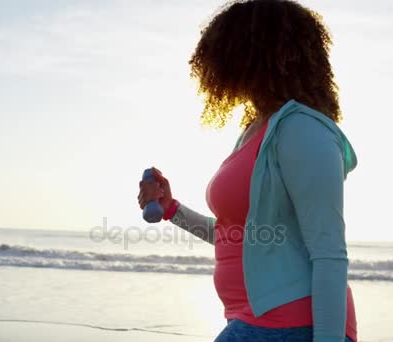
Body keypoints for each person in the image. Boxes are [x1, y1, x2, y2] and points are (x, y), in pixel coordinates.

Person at [137, 1, 358, 341]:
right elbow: (242, 236)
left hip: (290, 326)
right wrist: (171, 209)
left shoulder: (302, 129)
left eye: (227, 50)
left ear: (260, 54)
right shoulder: (257, 130)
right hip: (249, 321)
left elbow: (330, 253)